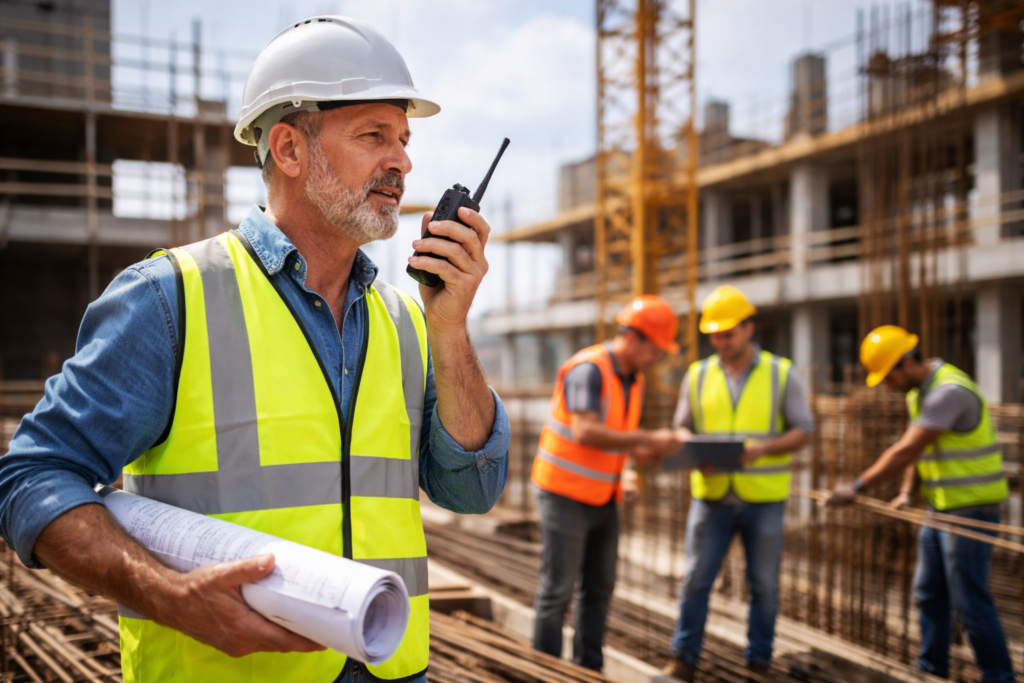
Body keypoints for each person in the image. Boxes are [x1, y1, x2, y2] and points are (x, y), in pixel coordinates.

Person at [0, 16, 511, 683]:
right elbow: (32, 480)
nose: (403, 162)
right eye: (374, 136)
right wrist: (170, 597)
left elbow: (472, 489)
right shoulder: (170, 299)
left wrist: (451, 326)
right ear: (290, 150)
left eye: (405, 139)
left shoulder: (407, 320)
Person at [826, 325, 1014, 683]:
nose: (886, 385)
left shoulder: (948, 392)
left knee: (971, 604)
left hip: (972, 510)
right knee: (928, 591)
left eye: (888, 376)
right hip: (940, 507)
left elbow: (907, 449)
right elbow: (922, 448)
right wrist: (906, 492)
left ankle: (1000, 678)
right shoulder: (920, 395)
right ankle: (932, 668)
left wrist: (857, 486)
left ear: (907, 362)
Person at [663, 285, 814, 682]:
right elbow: (681, 429)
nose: (720, 342)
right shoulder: (697, 375)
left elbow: (804, 430)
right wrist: (694, 453)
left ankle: (758, 663)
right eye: (714, 335)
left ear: (749, 328)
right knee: (696, 581)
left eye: (727, 333)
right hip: (711, 497)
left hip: (763, 500)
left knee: (763, 587)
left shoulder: (782, 374)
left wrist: (764, 449)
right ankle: (684, 659)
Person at [531, 295, 684, 671]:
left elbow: (618, 436)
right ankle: (543, 671)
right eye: (656, 350)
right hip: (564, 496)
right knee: (558, 592)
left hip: (603, 498)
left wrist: (633, 464)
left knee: (599, 591)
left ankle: (588, 669)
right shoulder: (589, 370)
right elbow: (585, 431)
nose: (658, 359)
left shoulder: (635, 380)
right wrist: (648, 439)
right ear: (634, 339)